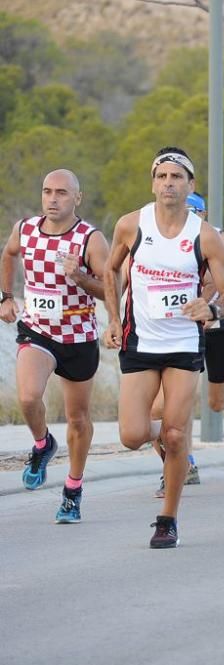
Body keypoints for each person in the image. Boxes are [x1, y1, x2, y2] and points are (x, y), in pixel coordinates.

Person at [103, 148, 224, 548]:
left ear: (190, 185)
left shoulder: (204, 235)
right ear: (153, 182)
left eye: (176, 177)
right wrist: (112, 318)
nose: (168, 184)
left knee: (176, 438)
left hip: (182, 344)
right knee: (132, 434)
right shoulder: (131, 225)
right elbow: (110, 269)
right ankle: (170, 429)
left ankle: (168, 519)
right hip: (140, 341)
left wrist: (210, 308)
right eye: (161, 176)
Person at [0, 169, 109, 523]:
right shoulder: (26, 228)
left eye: (61, 193)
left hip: (78, 336)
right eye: (47, 191)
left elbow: (112, 289)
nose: (53, 199)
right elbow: (8, 254)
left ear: (77, 197)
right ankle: (43, 443)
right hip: (38, 330)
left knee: (78, 419)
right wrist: (4, 297)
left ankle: (73, 490)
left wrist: (79, 276)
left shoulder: (90, 239)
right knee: (29, 397)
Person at [150, 191, 224, 498]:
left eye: (197, 212)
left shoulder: (221, 241)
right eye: (187, 211)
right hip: (181, 332)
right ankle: (181, 465)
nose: (191, 217)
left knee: (215, 404)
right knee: (159, 411)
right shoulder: (163, 242)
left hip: (219, 328)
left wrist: (217, 310)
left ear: (205, 215)